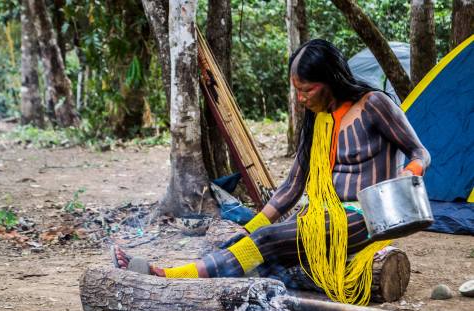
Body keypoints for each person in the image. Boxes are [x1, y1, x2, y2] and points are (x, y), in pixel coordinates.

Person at [112, 39, 430, 297]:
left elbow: (419, 152)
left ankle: (168, 277)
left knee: (265, 242)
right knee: (248, 244)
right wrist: (251, 226)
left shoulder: (374, 104)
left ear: (331, 81)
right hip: (323, 216)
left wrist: (410, 172)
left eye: (307, 90)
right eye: (297, 90)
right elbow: (292, 186)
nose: (301, 98)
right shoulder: (317, 120)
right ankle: (207, 285)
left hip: (365, 219)